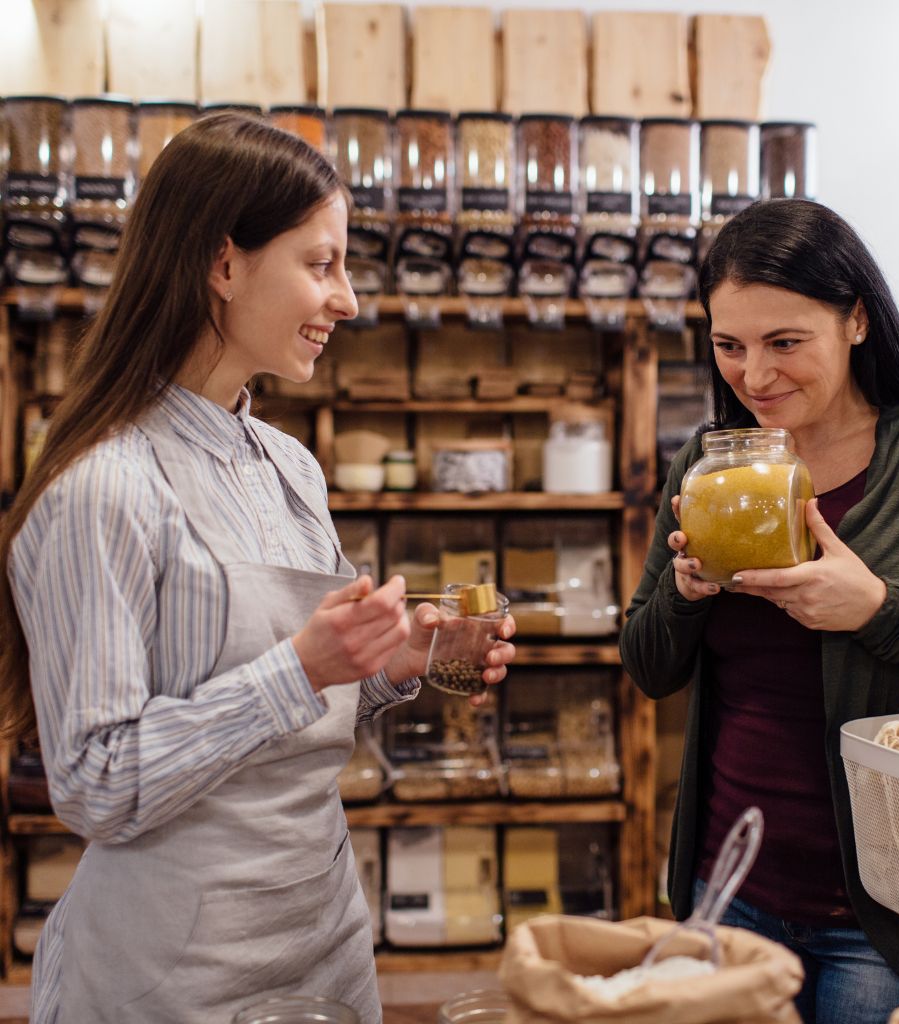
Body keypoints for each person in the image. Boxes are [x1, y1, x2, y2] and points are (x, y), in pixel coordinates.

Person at [0, 113, 517, 1024]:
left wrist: (396, 661)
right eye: (321, 265)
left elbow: (302, 708)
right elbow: (95, 782)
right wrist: (301, 669)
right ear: (224, 263)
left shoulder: (289, 469)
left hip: (320, 934)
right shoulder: (103, 489)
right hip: (172, 967)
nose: (348, 299)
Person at [620, 199, 899, 1024]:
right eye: (729, 346)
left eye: (785, 343)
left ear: (857, 322)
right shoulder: (708, 463)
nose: (755, 376)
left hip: (893, 915)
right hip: (728, 889)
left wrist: (878, 609)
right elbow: (649, 666)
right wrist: (685, 592)